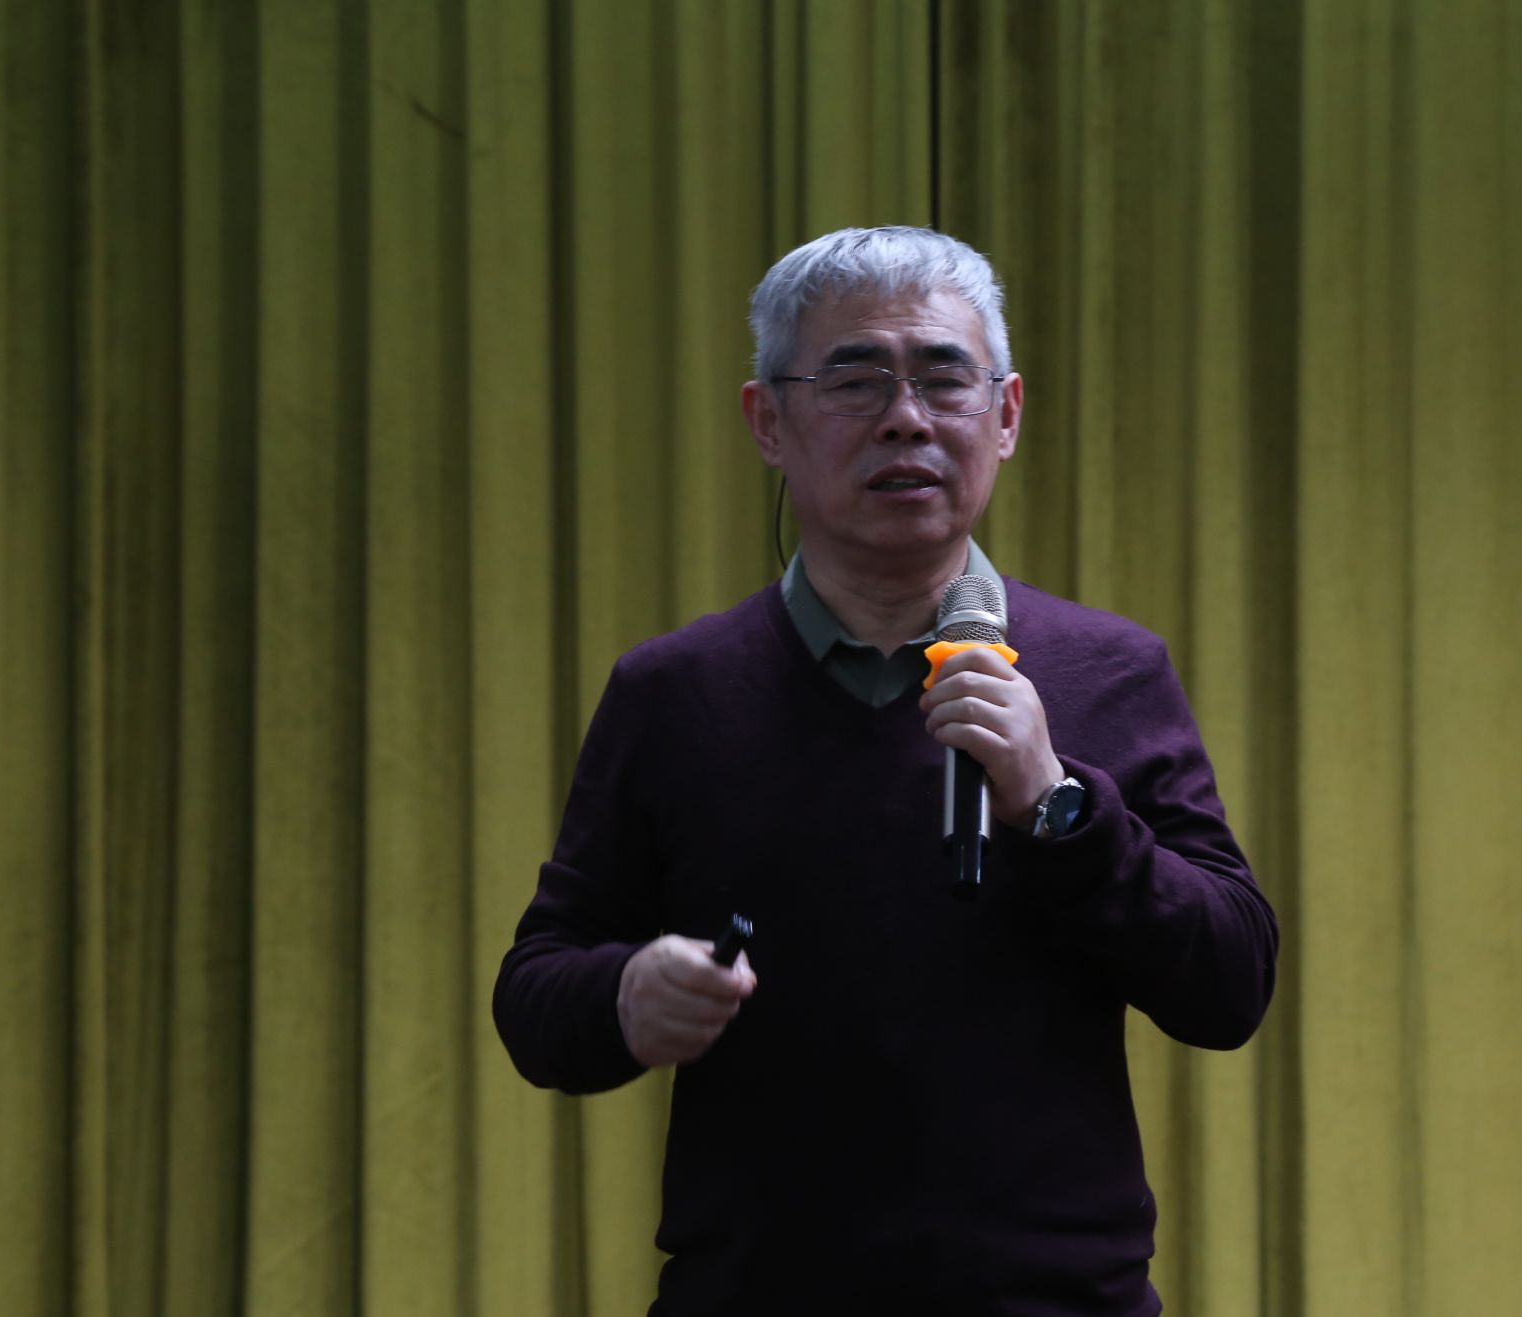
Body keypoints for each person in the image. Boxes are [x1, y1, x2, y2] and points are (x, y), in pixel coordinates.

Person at [494, 227, 1278, 1315]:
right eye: (855, 380)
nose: (906, 418)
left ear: (1005, 416)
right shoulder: (675, 693)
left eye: (943, 379)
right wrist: (622, 994)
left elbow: (1229, 985)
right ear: (767, 423)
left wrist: (1056, 803)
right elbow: (536, 994)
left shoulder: (1108, 670)